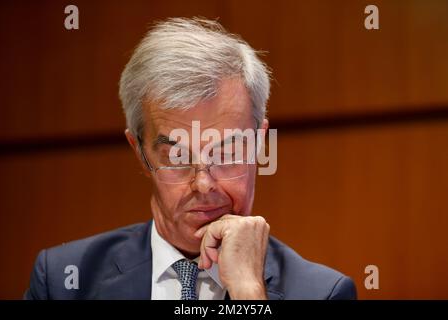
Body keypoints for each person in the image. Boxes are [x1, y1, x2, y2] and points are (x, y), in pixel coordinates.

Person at [24, 17, 356, 300]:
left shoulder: (323, 292)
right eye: (179, 157)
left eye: (226, 152)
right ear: (140, 152)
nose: (204, 184)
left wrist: (249, 293)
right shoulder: (64, 281)